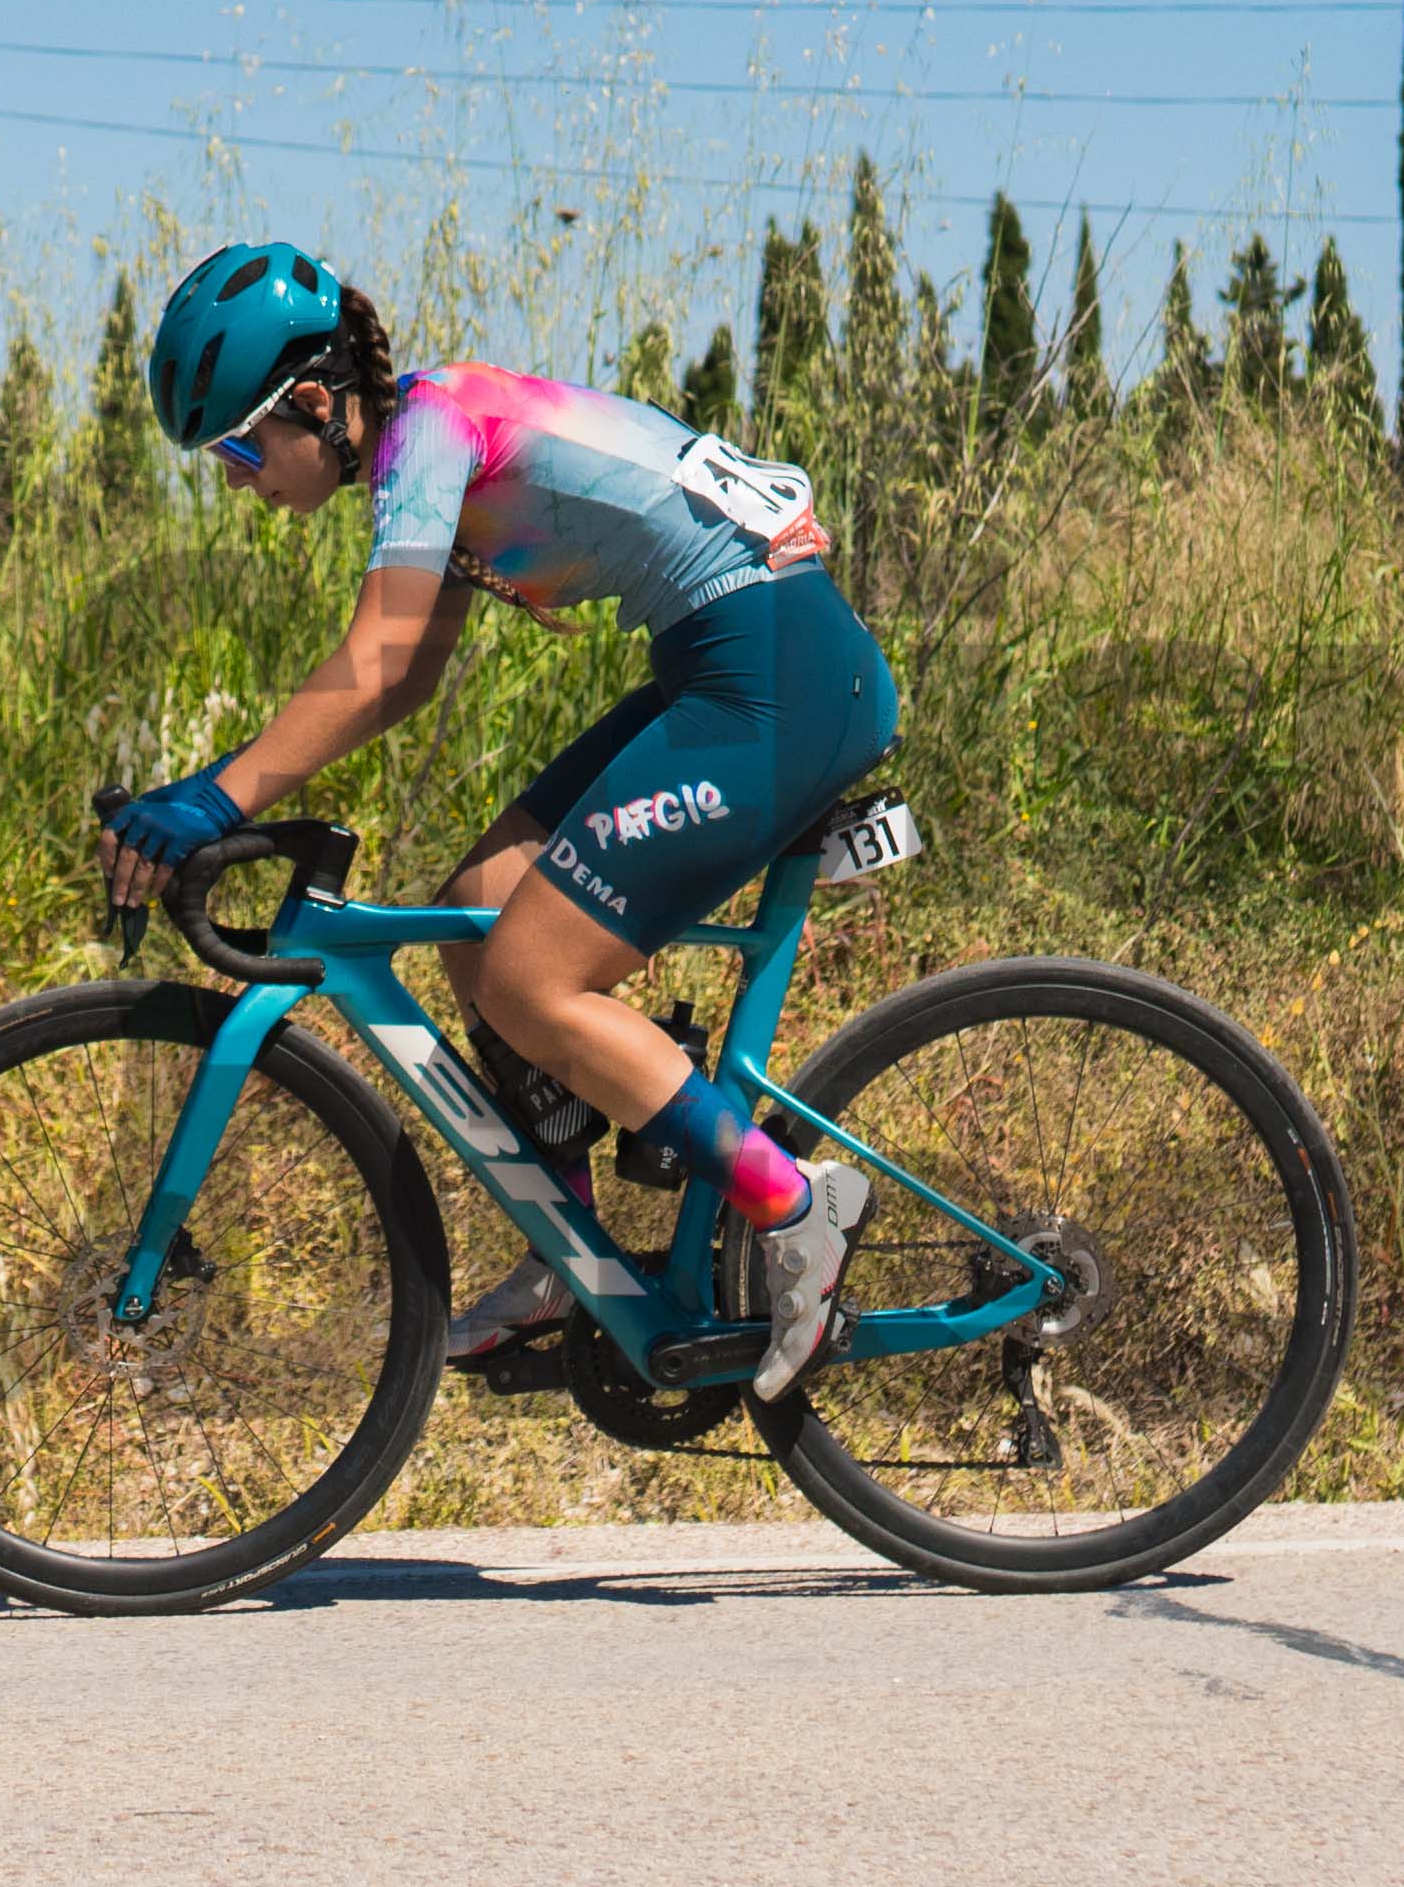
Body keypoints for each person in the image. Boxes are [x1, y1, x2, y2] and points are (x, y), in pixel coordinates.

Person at [93, 243, 902, 1398]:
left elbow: (374, 667)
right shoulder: (427, 443)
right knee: (480, 913)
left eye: (236, 446)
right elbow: (410, 672)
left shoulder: (426, 431)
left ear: (315, 406)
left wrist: (211, 800)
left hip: (775, 674)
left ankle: (794, 1205)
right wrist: (215, 785)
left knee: (531, 981)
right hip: (733, 663)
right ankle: (570, 1257)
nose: (234, 478)